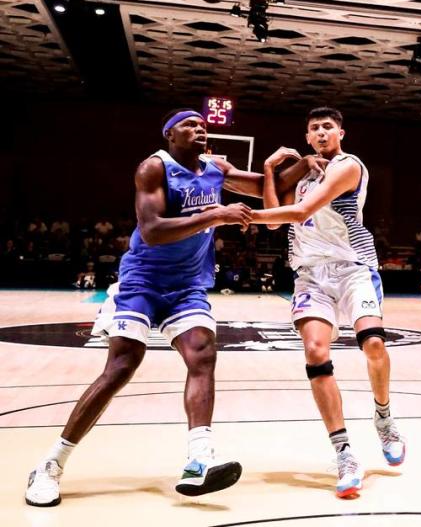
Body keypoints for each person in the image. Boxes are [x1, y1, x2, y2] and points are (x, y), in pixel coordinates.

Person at [24, 109, 306, 507]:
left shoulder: (216, 167)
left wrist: (305, 166)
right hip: (144, 280)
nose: (199, 128)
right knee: (122, 366)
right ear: (170, 135)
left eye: (201, 124)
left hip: (188, 285)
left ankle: (199, 460)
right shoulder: (154, 168)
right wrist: (217, 214)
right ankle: (51, 464)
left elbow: (265, 188)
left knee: (202, 354)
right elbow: (153, 230)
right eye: (188, 125)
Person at [251, 107, 405, 499]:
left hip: (353, 267)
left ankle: (383, 417)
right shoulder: (303, 173)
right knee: (315, 352)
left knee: (373, 344)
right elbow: (275, 222)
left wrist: (235, 216)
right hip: (310, 274)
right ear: (306, 138)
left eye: (327, 127)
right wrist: (270, 170)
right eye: (314, 129)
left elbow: (299, 211)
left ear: (341, 133)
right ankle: (344, 454)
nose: (321, 133)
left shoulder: (349, 166)